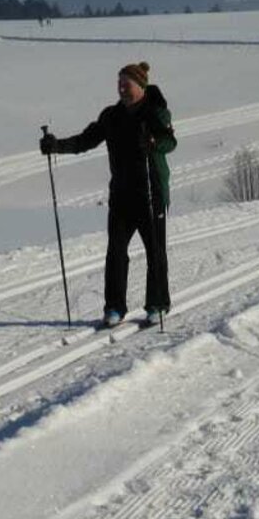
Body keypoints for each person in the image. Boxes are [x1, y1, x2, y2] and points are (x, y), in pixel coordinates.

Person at [39, 62, 176, 328]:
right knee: (115, 252)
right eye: (119, 83)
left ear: (141, 86)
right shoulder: (112, 116)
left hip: (151, 190)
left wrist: (152, 143)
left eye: (127, 84)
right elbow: (85, 140)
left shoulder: (155, 113)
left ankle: (157, 305)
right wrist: (56, 145)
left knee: (155, 252)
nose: (122, 88)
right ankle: (114, 307)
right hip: (122, 194)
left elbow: (170, 142)